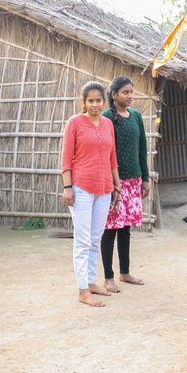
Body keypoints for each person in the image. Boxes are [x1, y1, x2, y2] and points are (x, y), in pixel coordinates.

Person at [61, 81, 121, 307]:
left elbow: (112, 158)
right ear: (84, 102)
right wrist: (67, 187)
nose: (95, 105)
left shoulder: (107, 124)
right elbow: (66, 158)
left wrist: (117, 185)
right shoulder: (74, 123)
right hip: (81, 188)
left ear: (104, 101)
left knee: (96, 238)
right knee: (83, 240)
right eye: (91, 101)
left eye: (98, 100)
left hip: (105, 188)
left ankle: (91, 281)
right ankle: (82, 290)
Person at [100, 76, 149, 293]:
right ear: (114, 95)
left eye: (131, 92)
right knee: (110, 229)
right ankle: (108, 277)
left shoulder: (136, 117)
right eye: (125, 92)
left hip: (134, 179)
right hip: (114, 182)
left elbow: (142, 149)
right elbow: (103, 152)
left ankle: (125, 272)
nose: (130, 96)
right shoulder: (106, 118)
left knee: (126, 228)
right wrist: (110, 182)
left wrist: (145, 178)